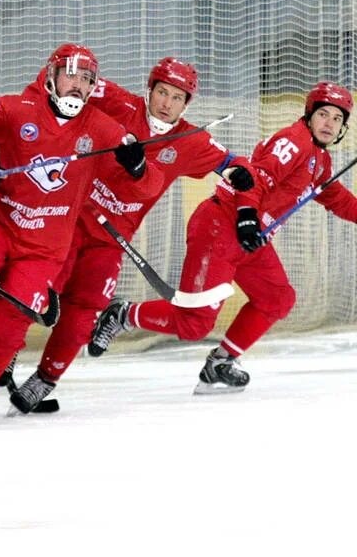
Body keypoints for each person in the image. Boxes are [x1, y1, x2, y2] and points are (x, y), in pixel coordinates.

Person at [0, 43, 164, 420]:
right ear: (52, 75)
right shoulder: (17, 108)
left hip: (45, 245)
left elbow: (149, 185)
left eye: (87, 80)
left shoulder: (103, 129)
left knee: (14, 317)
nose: (79, 85)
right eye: (72, 75)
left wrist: (139, 167)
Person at [8, 57, 255, 413]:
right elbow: (53, 80)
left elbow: (234, 162)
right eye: (162, 92)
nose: (166, 103)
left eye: (177, 97)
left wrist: (240, 175)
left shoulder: (191, 140)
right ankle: (6, 358)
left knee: (83, 314)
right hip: (68, 219)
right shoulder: (118, 101)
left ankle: (43, 381)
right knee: (37, 293)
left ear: (187, 105)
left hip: (110, 239)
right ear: (150, 89)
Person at [91, 82, 357, 393]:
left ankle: (222, 361)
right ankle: (123, 314)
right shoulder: (294, 142)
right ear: (309, 115)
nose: (329, 123)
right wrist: (246, 219)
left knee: (277, 298)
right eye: (323, 114)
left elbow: (335, 197)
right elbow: (254, 179)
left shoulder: (319, 159)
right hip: (221, 227)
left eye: (337, 119)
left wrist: (249, 227)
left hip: (250, 237)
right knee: (195, 325)